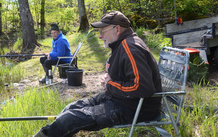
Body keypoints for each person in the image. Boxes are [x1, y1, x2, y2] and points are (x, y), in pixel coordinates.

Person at [34, 11, 162, 137]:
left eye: (102, 32)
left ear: (117, 29)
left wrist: (110, 84)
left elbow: (143, 87)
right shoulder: (121, 45)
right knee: (71, 107)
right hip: (121, 99)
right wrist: (110, 79)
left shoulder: (130, 48)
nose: (100, 36)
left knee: (69, 119)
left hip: (135, 108)